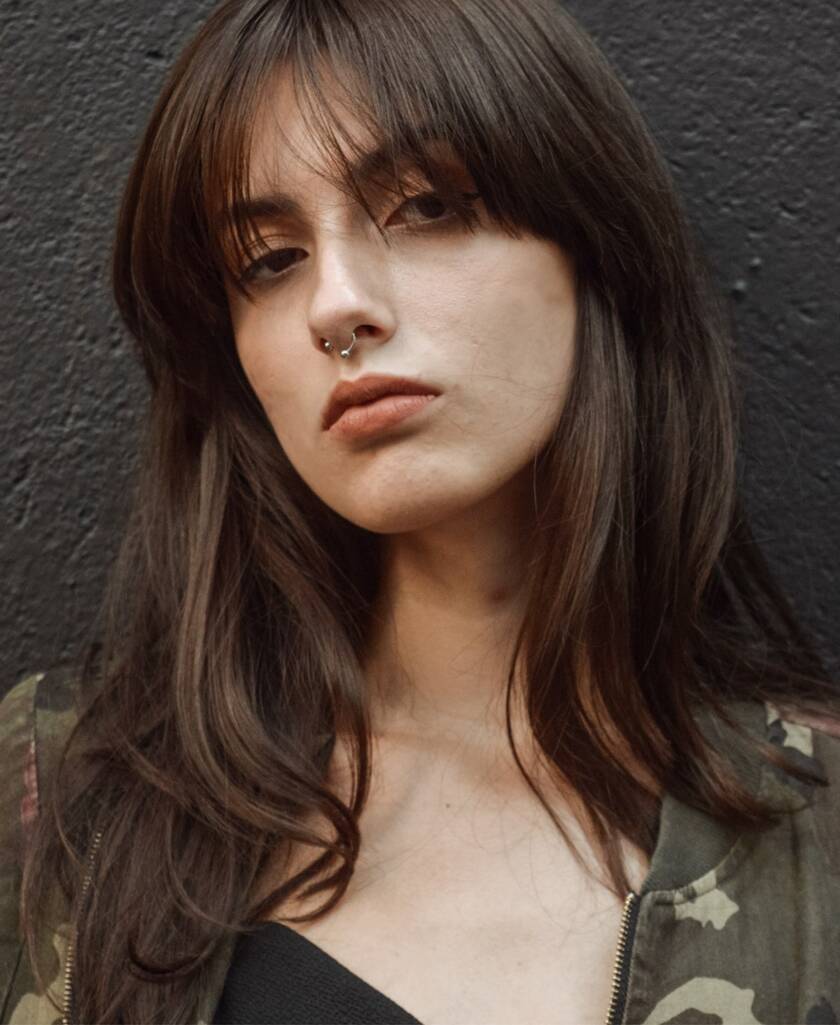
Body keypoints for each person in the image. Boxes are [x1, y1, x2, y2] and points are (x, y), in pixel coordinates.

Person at [2, 0, 839, 1022]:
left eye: (426, 205)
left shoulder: (819, 843)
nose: (336, 305)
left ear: (594, 244)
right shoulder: (63, 794)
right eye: (270, 260)